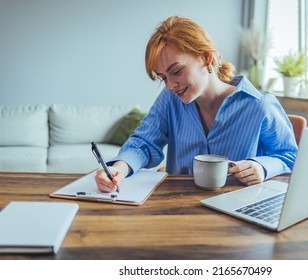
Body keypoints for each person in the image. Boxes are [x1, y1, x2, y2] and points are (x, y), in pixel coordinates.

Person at [95, 16, 297, 193]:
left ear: (206, 58)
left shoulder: (260, 105)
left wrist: (261, 167)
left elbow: (290, 155)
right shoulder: (169, 101)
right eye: (163, 77)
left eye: (176, 72)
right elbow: (144, 143)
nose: (170, 85)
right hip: (179, 208)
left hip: (236, 211)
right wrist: (120, 167)